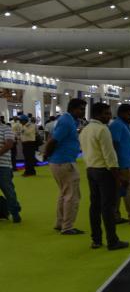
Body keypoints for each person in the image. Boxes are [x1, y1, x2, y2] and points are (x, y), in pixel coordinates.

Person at [80, 103, 129, 250]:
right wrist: (118, 177)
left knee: (94, 206)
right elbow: (109, 156)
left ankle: (96, 240)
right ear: (97, 114)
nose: (109, 117)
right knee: (108, 207)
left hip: (90, 170)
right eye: (106, 114)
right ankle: (112, 241)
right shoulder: (103, 129)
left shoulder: (85, 130)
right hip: (105, 172)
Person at [43, 99, 87, 235]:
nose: (83, 111)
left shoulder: (70, 121)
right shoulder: (67, 121)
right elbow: (53, 140)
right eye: (81, 109)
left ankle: (60, 223)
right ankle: (67, 226)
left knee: (64, 194)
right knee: (72, 196)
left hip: (61, 161)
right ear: (73, 109)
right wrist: (46, 155)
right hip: (64, 162)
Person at [0, 118, 21, 223]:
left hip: (3, 166)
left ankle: (15, 212)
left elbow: (9, 144)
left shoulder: (6, 129)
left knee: (9, 192)